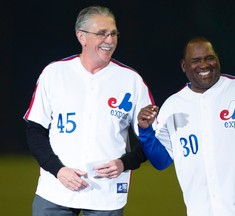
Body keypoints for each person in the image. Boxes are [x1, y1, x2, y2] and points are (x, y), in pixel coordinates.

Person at [23, 5, 154, 216]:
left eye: (113, 33)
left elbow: (150, 138)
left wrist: (125, 163)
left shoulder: (131, 81)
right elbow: (35, 130)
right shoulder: (55, 73)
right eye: (101, 33)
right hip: (56, 190)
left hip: (107, 194)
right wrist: (58, 170)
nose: (109, 40)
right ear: (81, 37)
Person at [137, 37, 235, 216]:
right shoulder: (173, 106)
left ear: (217, 59)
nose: (204, 65)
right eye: (195, 61)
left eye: (209, 58)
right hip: (202, 210)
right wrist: (145, 131)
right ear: (184, 66)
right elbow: (161, 161)